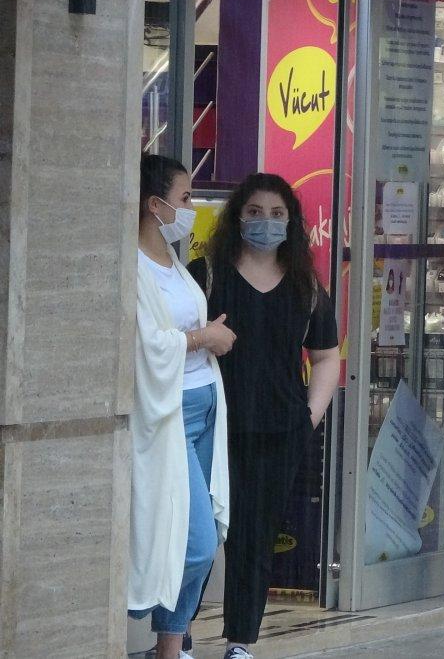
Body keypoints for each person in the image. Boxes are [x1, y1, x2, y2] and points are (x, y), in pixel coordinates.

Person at [187, 174, 340, 659]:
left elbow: (327, 356)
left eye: (277, 214)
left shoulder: (305, 286)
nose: (266, 223)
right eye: (254, 212)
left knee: (255, 537)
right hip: (212, 426)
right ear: (237, 217)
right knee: (199, 534)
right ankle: (179, 632)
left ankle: (240, 642)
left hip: (279, 431)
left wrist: (309, 417)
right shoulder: (205, 274)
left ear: (292, 223)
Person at [130, 154, 235, 659]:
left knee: (206, 532)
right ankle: (143, 622)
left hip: (205, 406)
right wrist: (204, 337)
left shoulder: (173, 261)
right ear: (155, 205)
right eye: (185, 198)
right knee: (191, 544)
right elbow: (145, 344)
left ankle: (170, 648)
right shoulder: (130, 265)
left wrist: (204, 337)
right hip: (169, 415)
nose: (191, 208)